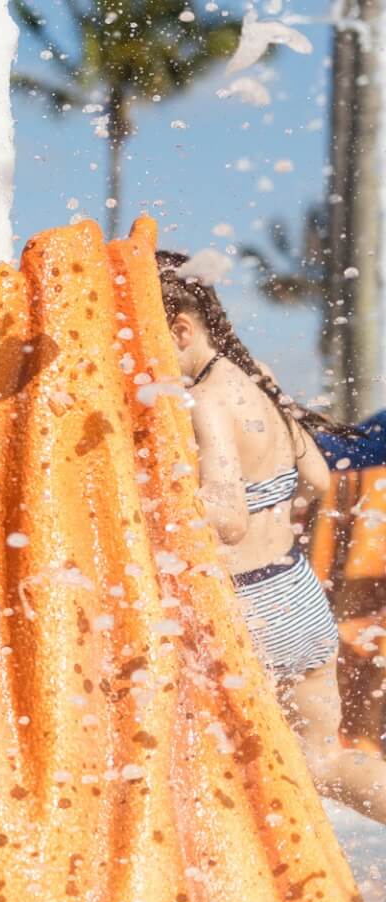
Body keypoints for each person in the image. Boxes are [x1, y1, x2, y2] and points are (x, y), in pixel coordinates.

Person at [159, 250, 386, 824]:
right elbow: (314, 480)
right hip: (298, 593)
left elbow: (227, 517)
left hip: (250, 610)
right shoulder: (257, 381)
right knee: (325, 761)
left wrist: (156, 510)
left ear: (180, 328)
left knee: (198, 770)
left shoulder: (202, 402)